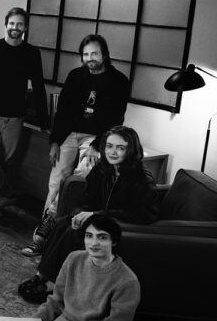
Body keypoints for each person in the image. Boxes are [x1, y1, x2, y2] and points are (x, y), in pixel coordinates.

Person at [18, 126, 157, 302]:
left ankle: (54, 284)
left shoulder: (142, 177)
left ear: (131, 150)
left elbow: (144, 214)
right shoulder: (102, 169)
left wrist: (97, 214)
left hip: (120, 224)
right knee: (62, 223)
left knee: (72, 233)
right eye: (109, 146)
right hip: (101, 218)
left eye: (120, 148)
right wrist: (79, 213)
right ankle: (42, 275)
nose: (113, 152)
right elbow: (87, 199)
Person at [0, 214, 141, 321]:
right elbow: (55, 301)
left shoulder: (127, 282)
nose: (93, 243)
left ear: (114, 241)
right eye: (89, 236)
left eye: (102, 237)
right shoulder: (74, 258)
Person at [43, 34, 130, 217]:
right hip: (70, 133)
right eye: (86, 54)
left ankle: (52, 216)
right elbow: (62, 111)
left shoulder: (119, 80)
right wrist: (55, 141)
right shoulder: (75, 76)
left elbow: (116, 119)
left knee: (80, 175)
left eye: (94, 54)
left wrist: (98, 145)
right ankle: (46, 223)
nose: (90, 58)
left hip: (96, 137)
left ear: (104, 54)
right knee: (56, 179)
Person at [0, 7, 48, 214]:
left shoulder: (31, 53)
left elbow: (39, 86)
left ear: (25, 28)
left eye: (20, 24)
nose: (15, 27)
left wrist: (44, 119)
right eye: (12, 23)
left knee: (8, 160)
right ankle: (8, 192)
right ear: (6, 24)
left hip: (15, 117)